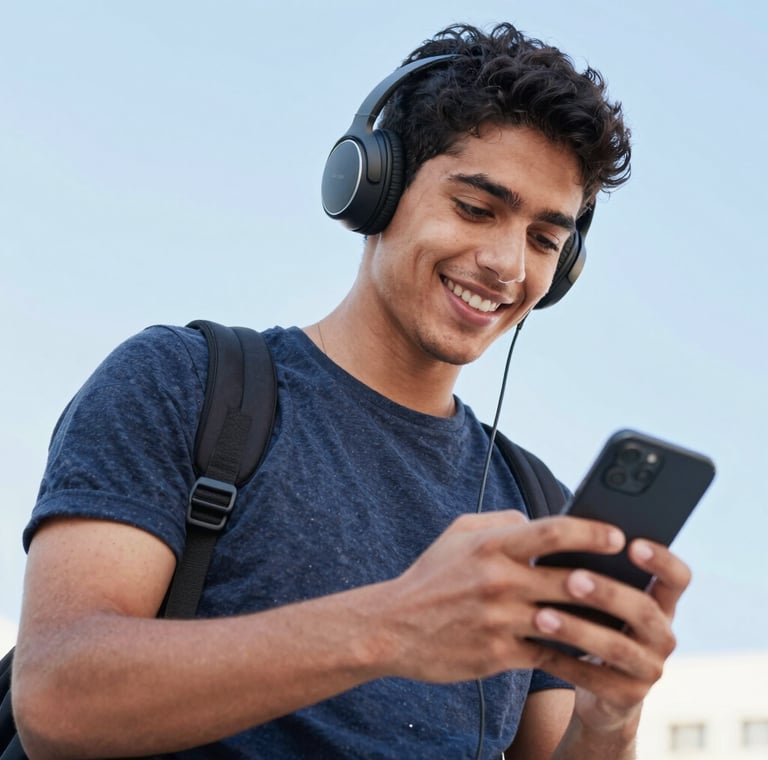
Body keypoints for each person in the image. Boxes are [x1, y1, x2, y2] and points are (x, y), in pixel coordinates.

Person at [12, 22, 689, 760]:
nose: (505, 263)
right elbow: (58, 700)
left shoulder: (533, 503)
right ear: (374, 188)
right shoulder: (184, 383)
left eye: (543, 240)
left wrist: (610, 718)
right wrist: (391, 626)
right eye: (475, 208)